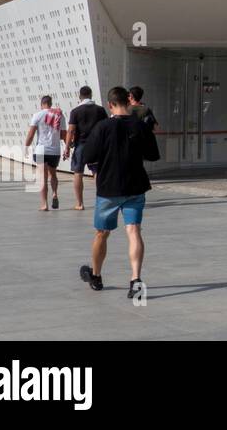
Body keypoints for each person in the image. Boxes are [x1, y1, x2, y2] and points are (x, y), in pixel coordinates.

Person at [78, 87, 160, 297]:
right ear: (129, 102)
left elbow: (88, 155)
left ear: (110, 104)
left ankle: (96, 276)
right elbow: (153, 155)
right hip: (135, 186)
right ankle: (136, 280)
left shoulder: (103, 127)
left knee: (102, 233)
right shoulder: (140, 126)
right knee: (134, 231)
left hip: (109, 188)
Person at [65, 86, 107, 211]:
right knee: (97, 172)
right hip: (97, 145)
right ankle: (101, 201)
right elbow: (105, 127)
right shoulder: (100, 110)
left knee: (78, 173)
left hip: (81, 145)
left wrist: (67, 147)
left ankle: (79, 203)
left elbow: (71, 130)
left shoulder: (75, 111)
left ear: (80, 96)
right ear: (91, 94)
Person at [25, 97, 66, 211]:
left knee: (42, 178)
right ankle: (54, 194)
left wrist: (26, 147)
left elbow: (31, 134)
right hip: (55, 150)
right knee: (53, 175)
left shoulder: (37, 115)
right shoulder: (59, 115)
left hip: (41, 150)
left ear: (42, 104)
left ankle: (44, 204)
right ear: (50, 103)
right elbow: (63, 135)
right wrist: (68, 147)